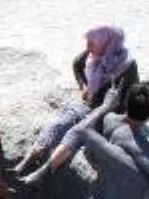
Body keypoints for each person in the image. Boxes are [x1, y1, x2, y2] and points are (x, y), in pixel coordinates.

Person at [14, 25, 138, 175]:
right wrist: (84, 87)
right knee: (58, 124)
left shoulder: (127, 67)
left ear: (107, 43)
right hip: (89, 105)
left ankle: (43, 171)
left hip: (107, 115)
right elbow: (77, 63)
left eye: (92, 43)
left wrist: (104, 112)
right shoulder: (93, 55)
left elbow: (130, 99)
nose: (87, 47)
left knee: (76, 133)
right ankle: (27, 161)